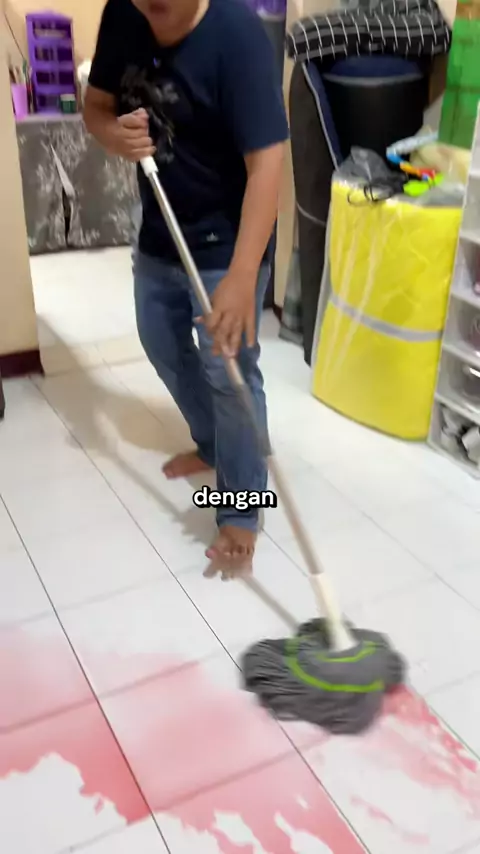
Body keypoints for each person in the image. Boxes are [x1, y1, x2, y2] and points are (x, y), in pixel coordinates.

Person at [84, 0, 288, 575]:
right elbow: (96, 108)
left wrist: (243, 276)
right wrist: (114, 136)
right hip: (161, 231)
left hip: (229, 241)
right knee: (161, 342)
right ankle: (216, 445)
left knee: (230, 371)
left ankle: (241, 507)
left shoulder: (237, 36)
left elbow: (268, 165)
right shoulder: (122, 16)